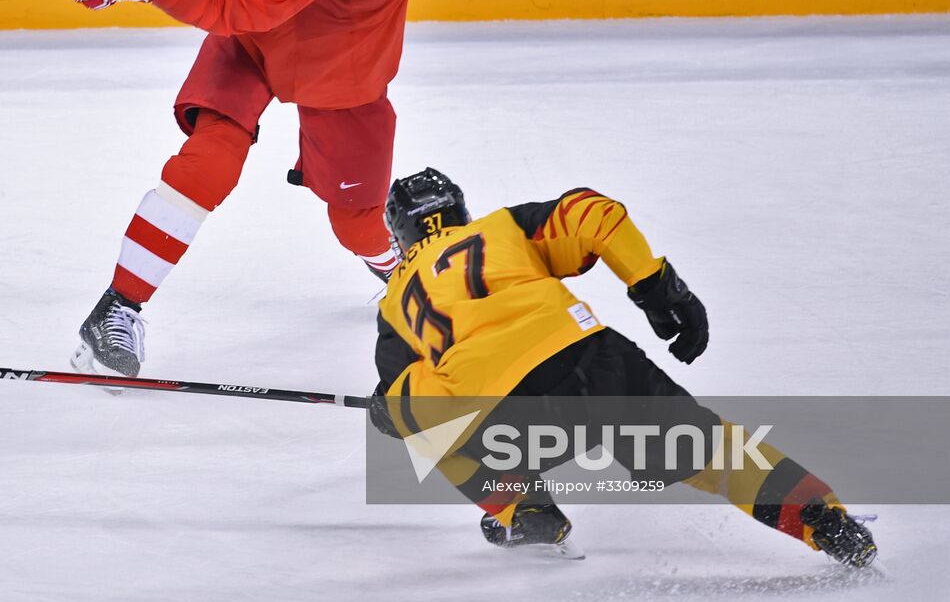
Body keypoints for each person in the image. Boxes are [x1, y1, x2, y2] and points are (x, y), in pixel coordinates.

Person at [53, 0, 414, 378]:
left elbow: (237, 1)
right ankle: (116, 308)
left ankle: (401, 275)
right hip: (260, 29)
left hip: (341, 56)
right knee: (208, 159)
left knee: (356, 220)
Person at [370, 168, 878, 567]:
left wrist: (389, 414)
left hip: (507, 414)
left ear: (400, 232)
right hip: (592, 361)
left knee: (436, 436)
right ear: (459, 210)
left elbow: (412, 400)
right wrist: (655, 286)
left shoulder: (395, 303)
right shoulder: (499, 228)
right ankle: (816, 516)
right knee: (708, 450)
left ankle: (525, 512)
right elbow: (592, 212)